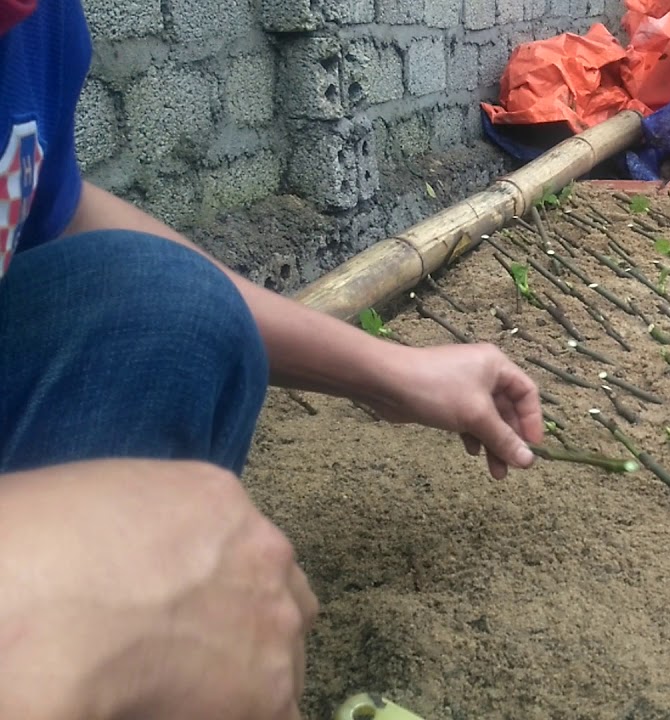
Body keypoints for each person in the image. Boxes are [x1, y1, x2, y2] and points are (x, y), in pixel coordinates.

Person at [0, 0, 544, 716]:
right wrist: (44, 584)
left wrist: (382, 372)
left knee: (170, 310)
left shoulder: (33, 25)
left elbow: (54, 214)